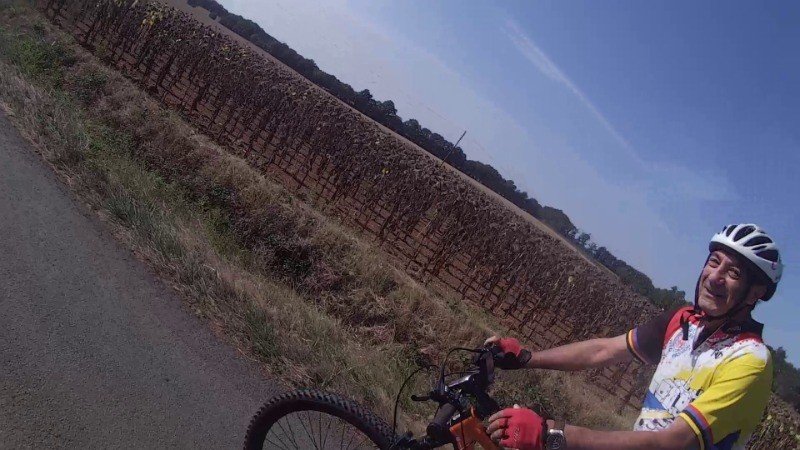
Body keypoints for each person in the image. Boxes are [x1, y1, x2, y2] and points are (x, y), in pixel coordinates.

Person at [484, 224, 783, 450]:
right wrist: (527, 357)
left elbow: (673, 442)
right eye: (714, 261)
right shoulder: (683, 322)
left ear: (755, 294)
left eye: (734, 273)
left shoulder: (749, 361)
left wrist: (553, 434)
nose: (715, 277)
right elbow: (603, 351)